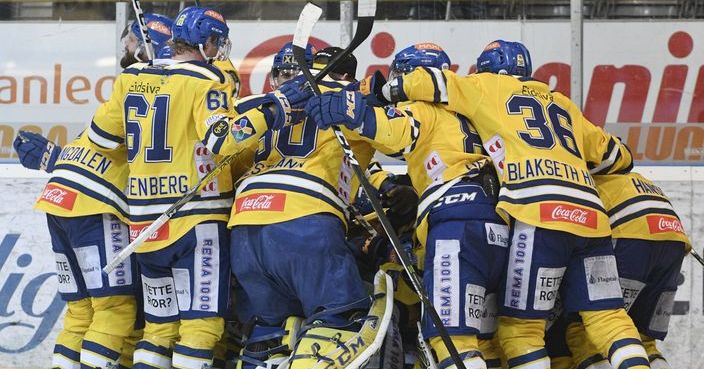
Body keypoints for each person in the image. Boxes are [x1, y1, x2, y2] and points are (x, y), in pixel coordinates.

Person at [362, 39, 648, 369]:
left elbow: (432, 85)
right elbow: (618, 156)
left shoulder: (486, 87)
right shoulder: (564, 104)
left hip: (533, 214)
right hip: (588, 215)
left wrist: (383, 93)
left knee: (515, 332)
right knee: (608, 319)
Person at [84, 6, 269, 369]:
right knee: (200, 327)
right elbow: (224, 140)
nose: (219, 50)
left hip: (143, 227)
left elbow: (100, 137)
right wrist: (269, 112)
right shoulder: (207, 82)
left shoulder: (131, 78)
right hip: (194, 221)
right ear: (207, 41)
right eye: (217, 42)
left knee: (159, 329)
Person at [305, 42, 507, 369]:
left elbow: (387, 129)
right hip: (501, 226)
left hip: (456, 223)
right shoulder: (477, 116)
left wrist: (349, 110)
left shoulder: (422, 109)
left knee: (449, 339)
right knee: (489, 338)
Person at [11, 12, 175, 369]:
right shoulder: (172, 88)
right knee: (114, 307)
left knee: (81, 311)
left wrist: (55, 157)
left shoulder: (128, 85)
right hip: (96, 204)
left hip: (59, 199)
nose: (126, 48)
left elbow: (99, 145)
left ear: (149, 47)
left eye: (132, 41)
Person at [565, 172, 690, 369]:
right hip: (675, 239)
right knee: (644, 340)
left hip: (630, 237)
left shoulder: (580, 176)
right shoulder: (637, 177)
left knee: (587, 329)